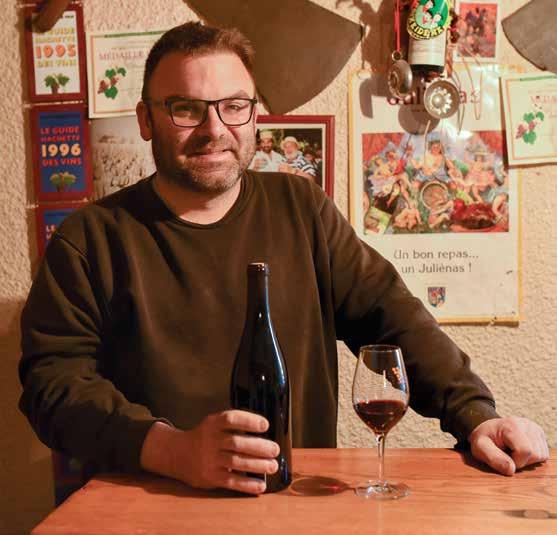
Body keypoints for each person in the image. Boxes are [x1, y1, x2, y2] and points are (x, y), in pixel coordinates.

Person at [19, 21, 548, 497]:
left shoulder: (302, 208)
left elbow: (392, 317)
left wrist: (475, 415)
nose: (214, 129)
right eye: (186, 108)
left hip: (294, 502)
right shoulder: (89, 239)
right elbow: (53, 386)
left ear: (255, 114)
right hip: (150, 503)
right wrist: (171, 450)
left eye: (234, 105)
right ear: (146, 119)